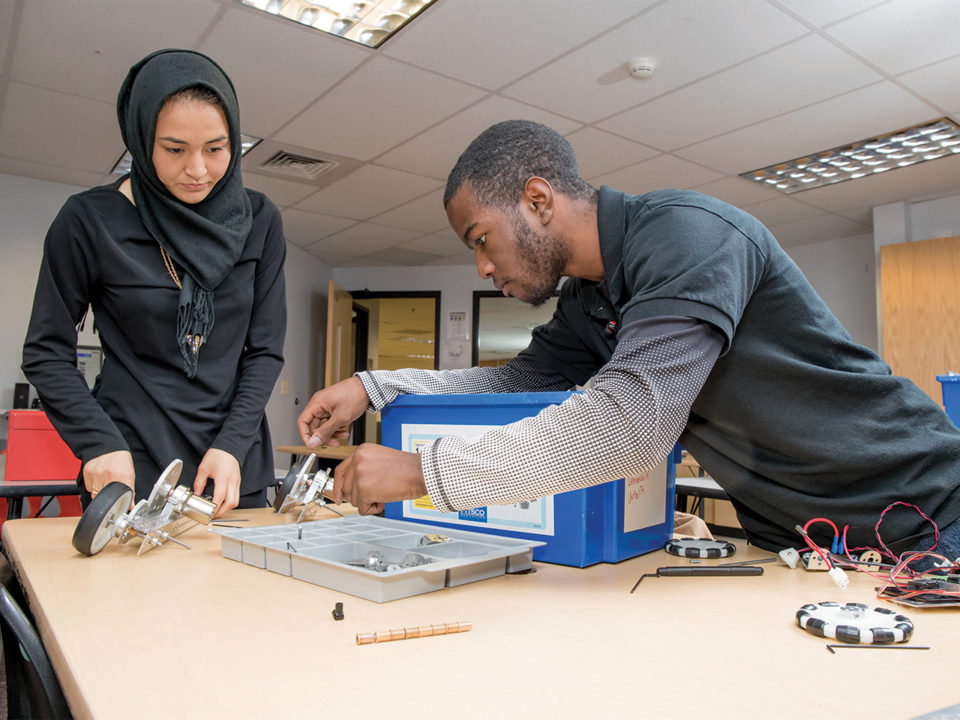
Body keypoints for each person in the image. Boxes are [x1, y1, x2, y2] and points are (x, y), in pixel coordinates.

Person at [297, 119, 960, 563]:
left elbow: (632, 422)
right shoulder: (590, 301)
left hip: (926, 510)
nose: (484, 268)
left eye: (480, 240)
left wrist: (423, 472)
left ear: (537, 200)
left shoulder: (686, 236)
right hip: (803, 541)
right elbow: (512, 383)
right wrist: (372, 386)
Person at [22, 49, 286, 517]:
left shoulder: (260, 220)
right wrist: (97, 442)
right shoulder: (90, 220)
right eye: (175, 149)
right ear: (143, 139)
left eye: (216, 148)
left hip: (230, 464)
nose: (198, 170)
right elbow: (46, 351)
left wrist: (232, 445)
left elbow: (264, 350)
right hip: (132, 462)